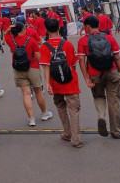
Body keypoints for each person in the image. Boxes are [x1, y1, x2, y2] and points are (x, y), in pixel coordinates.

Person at [77, 16, 120, 138]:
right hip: (112, 71)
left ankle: (101, 116)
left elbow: (81, 60)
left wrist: (86, 78)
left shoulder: (83, 41)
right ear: (98, 25)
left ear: (88, 27)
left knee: (99, 96)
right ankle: (116, 131)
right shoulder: (109, 38)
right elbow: (117, 58)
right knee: (113, 101)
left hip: (95, 73)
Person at [39, 18, 82, 147]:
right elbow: (74, 64)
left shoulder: (44, 47)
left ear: (46, 30)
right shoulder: (67, 44)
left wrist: (48, 84)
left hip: (55, 82)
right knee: (73, 110)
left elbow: (46, 67)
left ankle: (67, 133)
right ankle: (76, 139)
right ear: (59, 28)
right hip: (70, 82)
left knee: (60, 106)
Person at [5, 22, 52, 126]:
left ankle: (31, 119)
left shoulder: (11, 40)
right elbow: (38, 55)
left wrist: (9, 29)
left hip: (18, 69)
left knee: (26, 93)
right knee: (38, 91)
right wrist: (44, 67)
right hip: (33, 67)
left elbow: (5, 35)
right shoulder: (30, 40)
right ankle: (44, 113)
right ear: (22, 30)